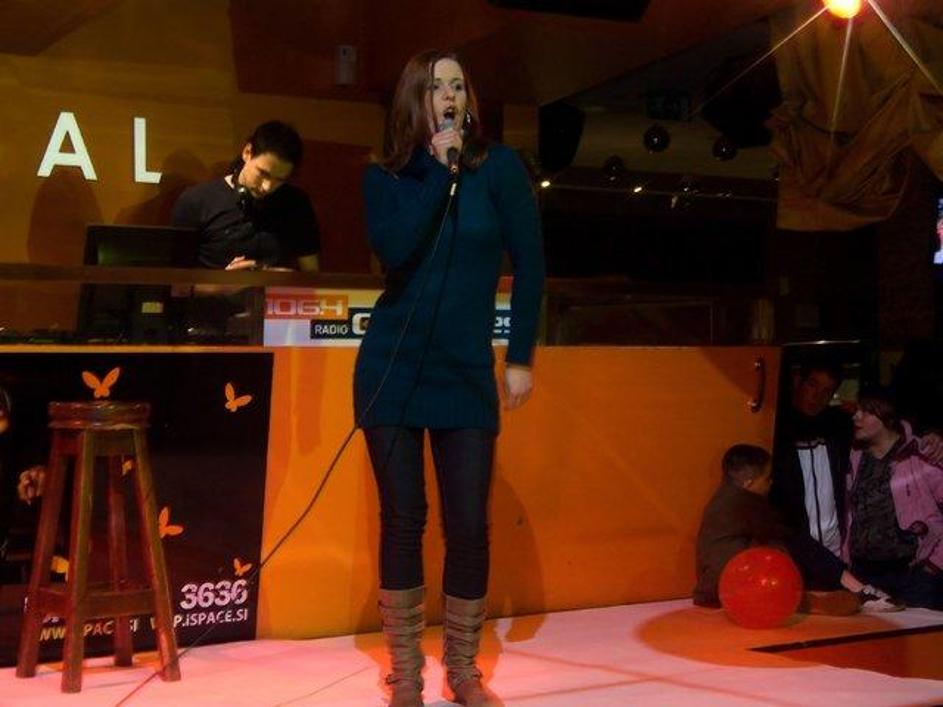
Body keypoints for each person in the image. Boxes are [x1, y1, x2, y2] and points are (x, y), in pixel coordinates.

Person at [353, 50, 544, 707]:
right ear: (415, 98)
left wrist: (519, 357)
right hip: (392, 368)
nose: (450, 96)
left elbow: (531, 263)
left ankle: (462, 669)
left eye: (458, 85)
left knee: (467, 524)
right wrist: (438, 171)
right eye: (436, 87)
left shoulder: (501, 169)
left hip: (464, 371)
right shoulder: (385, 176)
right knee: (403, 519)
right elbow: (396, 249)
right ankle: (405, 672)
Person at [770, 358, 943, 562]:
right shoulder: (771, 430)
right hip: (793, 551)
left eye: (827, 391)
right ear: (797, 381)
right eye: (812, 385)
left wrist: (930, 436)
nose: (817, 396)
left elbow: (889, 423)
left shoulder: (840, 427)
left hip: (840, 553)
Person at [694, 444, 901, 613]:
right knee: (795, 540)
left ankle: (825, 593)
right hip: (728, 590)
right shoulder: (746, 504)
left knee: (786, 541)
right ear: (748, 483)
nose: (771, 483)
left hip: (712, 589)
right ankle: (857, 590)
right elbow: (786, 542)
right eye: (767, 478)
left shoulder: (722, 500)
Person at [171, 120, 320, 271]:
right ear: (247, 152)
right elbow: (175, 279)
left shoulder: (297, 203)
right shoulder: (196, 200)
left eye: (279, 180)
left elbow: (311, 275)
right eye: (263, 173)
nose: (267, 187)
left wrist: (280, 277)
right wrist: (224, 282)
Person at [843, 388, 943, 609]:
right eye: (857, 410)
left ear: (886, 416)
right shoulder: (853, 456)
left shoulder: (920, 456)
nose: (856, 416)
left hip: (911, 573)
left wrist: (934, 565)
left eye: (865, 411)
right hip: (863, 572)